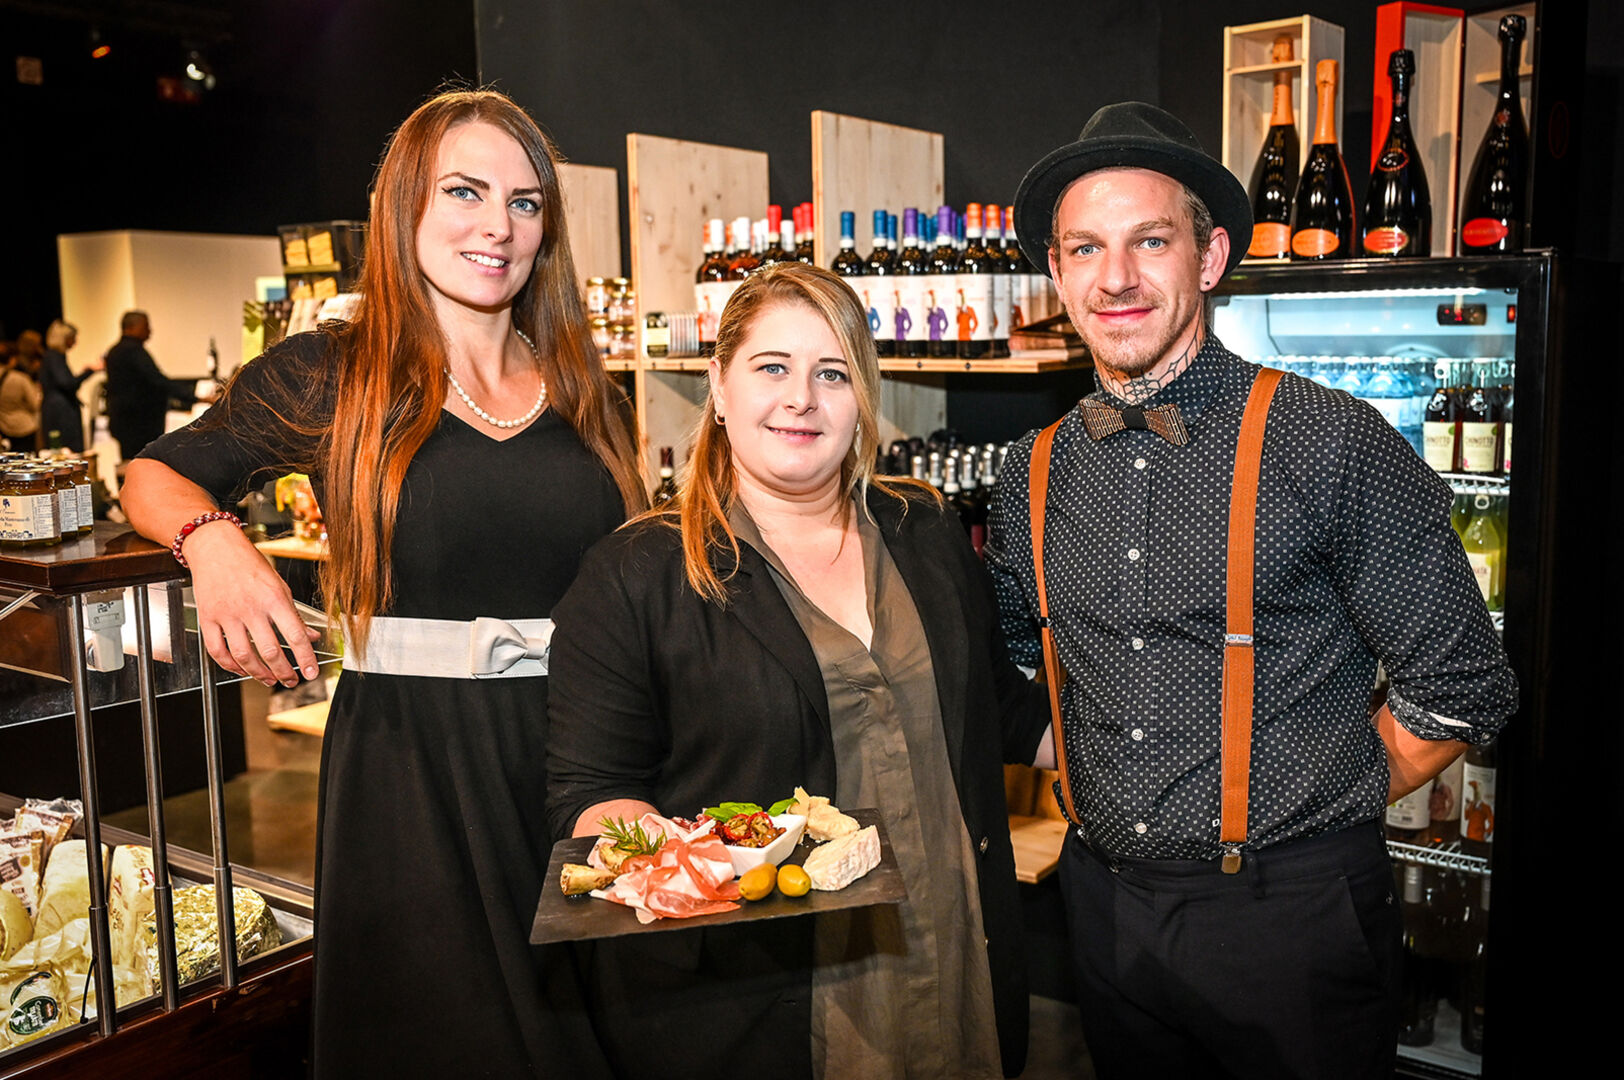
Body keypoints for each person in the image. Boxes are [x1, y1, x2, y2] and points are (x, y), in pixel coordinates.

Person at [988, 102, 1518, 1079]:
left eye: (1150, 241)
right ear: (1057, 273)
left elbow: (1462, 686)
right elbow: (1016, 663)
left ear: (1210, 256)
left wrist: (1323, 802)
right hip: (1101, 908)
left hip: (1292, 923)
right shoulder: (1030, 469)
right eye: (1086, 248)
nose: (1115, 276)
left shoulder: (1331, 440)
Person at [120, 88, 644, 1077]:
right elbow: (153, 473)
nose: (498, 225)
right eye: (465, 191)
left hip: (581, 764)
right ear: (405, 205)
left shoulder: (585, 386)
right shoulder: (334, 371)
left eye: (525, 202)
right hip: (412, 779)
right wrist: (214, 542)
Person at [545, 261, 1053, 1080]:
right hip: (770, 997)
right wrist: (675, 866)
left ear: (863, 398)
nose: (802, 399)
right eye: (772, 367)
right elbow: (593, 788)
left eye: (832, 374)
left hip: (955, 956)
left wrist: (1149, 741)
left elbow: (999, 708)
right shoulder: (636, 576)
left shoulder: (922, 530)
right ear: (719, 386)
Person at [102, 310, 209, 461]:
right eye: (146, 326)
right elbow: (157, 381)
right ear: (132, 327)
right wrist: (197, 397)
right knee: (143, 462)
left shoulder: (114, 351)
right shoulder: (133, 351)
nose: (150, 331)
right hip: (138, 424)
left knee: (131, 461)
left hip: (123, 420)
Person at [40, 319, 100, 452]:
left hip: (57, 409)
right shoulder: (54, 357)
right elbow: (66, 383)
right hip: (61, 412)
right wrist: (89, 372)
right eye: (73, 338)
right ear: (64, 338)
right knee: (66, 451)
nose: (75, 342)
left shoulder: (52, 356)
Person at [0, 330, 44, 449]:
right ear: (12, 359)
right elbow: (35, 404)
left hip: (3, 427)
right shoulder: (20, 378)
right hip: (24, 428)